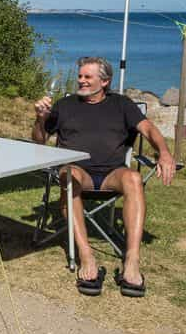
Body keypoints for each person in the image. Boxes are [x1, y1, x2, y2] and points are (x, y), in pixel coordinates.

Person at [32, 56, 176, 297]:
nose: (81, 81)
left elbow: (148, 128)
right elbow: (38, 140)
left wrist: (164, 153)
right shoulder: (65, 105)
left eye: (88, 77)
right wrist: (40, 118)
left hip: (112, 173)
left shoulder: (121, 104)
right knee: (69, 175)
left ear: (105, 81)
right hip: (78, 173)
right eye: (80, 76)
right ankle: (86, 256)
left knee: (134, 179)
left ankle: (131, 260)